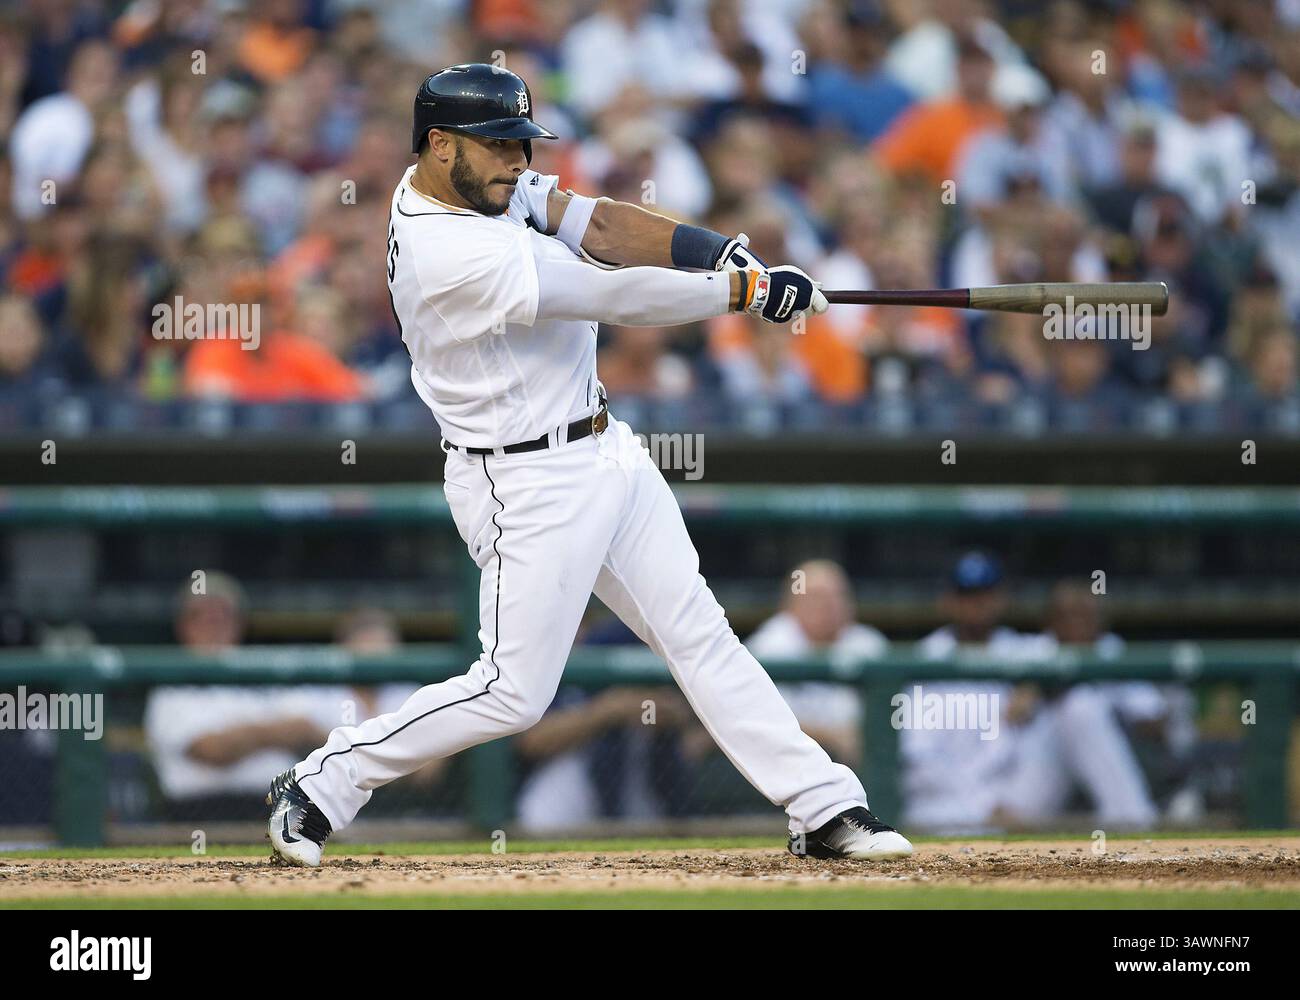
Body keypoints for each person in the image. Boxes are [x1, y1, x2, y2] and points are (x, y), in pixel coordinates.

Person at [267, 63, 912, 865]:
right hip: (521, 479)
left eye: (520, 144)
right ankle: (322, 782)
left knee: (699, 635)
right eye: (498, 144)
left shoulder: (480, 184)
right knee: (511, 690)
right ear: (439, 145)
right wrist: (743, 294)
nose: (517, 161)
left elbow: (600, 226)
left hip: (605, 446)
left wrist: (725, 252)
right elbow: (612, 293)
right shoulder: (445, 250)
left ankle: (824, 808)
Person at [144, 573, 352, 820]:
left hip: (280, 806)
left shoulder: (262, 671)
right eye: (203, 616)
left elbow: (312, 733)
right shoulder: (172, 688)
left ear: (239, 623)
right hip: (200, 814)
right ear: (183, 626)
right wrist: (276, 733)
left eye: (223, 615)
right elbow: (213, 751)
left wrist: (249, 737)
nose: (214, 624)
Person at [745, 560, 887, 766]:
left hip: (857, 760)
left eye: (837, 596)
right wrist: (831, 736)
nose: (829, 605)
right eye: (816, 597)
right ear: (790, 604)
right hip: (784, 764)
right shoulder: (771, 644)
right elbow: (759, 720)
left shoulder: (867, 643)